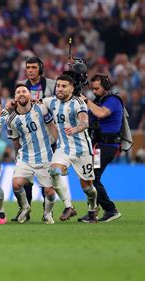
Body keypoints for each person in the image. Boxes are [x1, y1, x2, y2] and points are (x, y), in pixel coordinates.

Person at [42, 74, 98, 223]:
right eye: (58, 86)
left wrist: (75, 129)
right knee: (54, 171)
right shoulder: (51, 101)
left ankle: (92, 209)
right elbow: (35, 102)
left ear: (72, 88)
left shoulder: (78, 103)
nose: (59, 89)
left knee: (88, 187)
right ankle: (69, 206)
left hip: (82, 150)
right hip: (63, 148)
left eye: (64, 86)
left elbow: (85, 123)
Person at [13, 56, 58, 222]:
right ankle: (25, 209)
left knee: (48, 182)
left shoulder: (52, 84)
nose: (30, 70)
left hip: (48, 135)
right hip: (28, 137)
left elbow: (59, 101)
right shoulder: (21, 85)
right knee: (25, 181)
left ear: (40, 68)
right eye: (28, 67)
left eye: (33, 67)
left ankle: (48, 212)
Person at [79, 74, 122, 222]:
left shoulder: (113, 100)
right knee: (91, 177)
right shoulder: (99, 101)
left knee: (93, 177)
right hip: (98, 146)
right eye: (93, 88)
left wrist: (86, 100)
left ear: (106, 87)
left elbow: (102, 113)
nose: (94, 91)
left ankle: (110, 210)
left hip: (108, 145)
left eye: (97, 88)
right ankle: (93, 212)